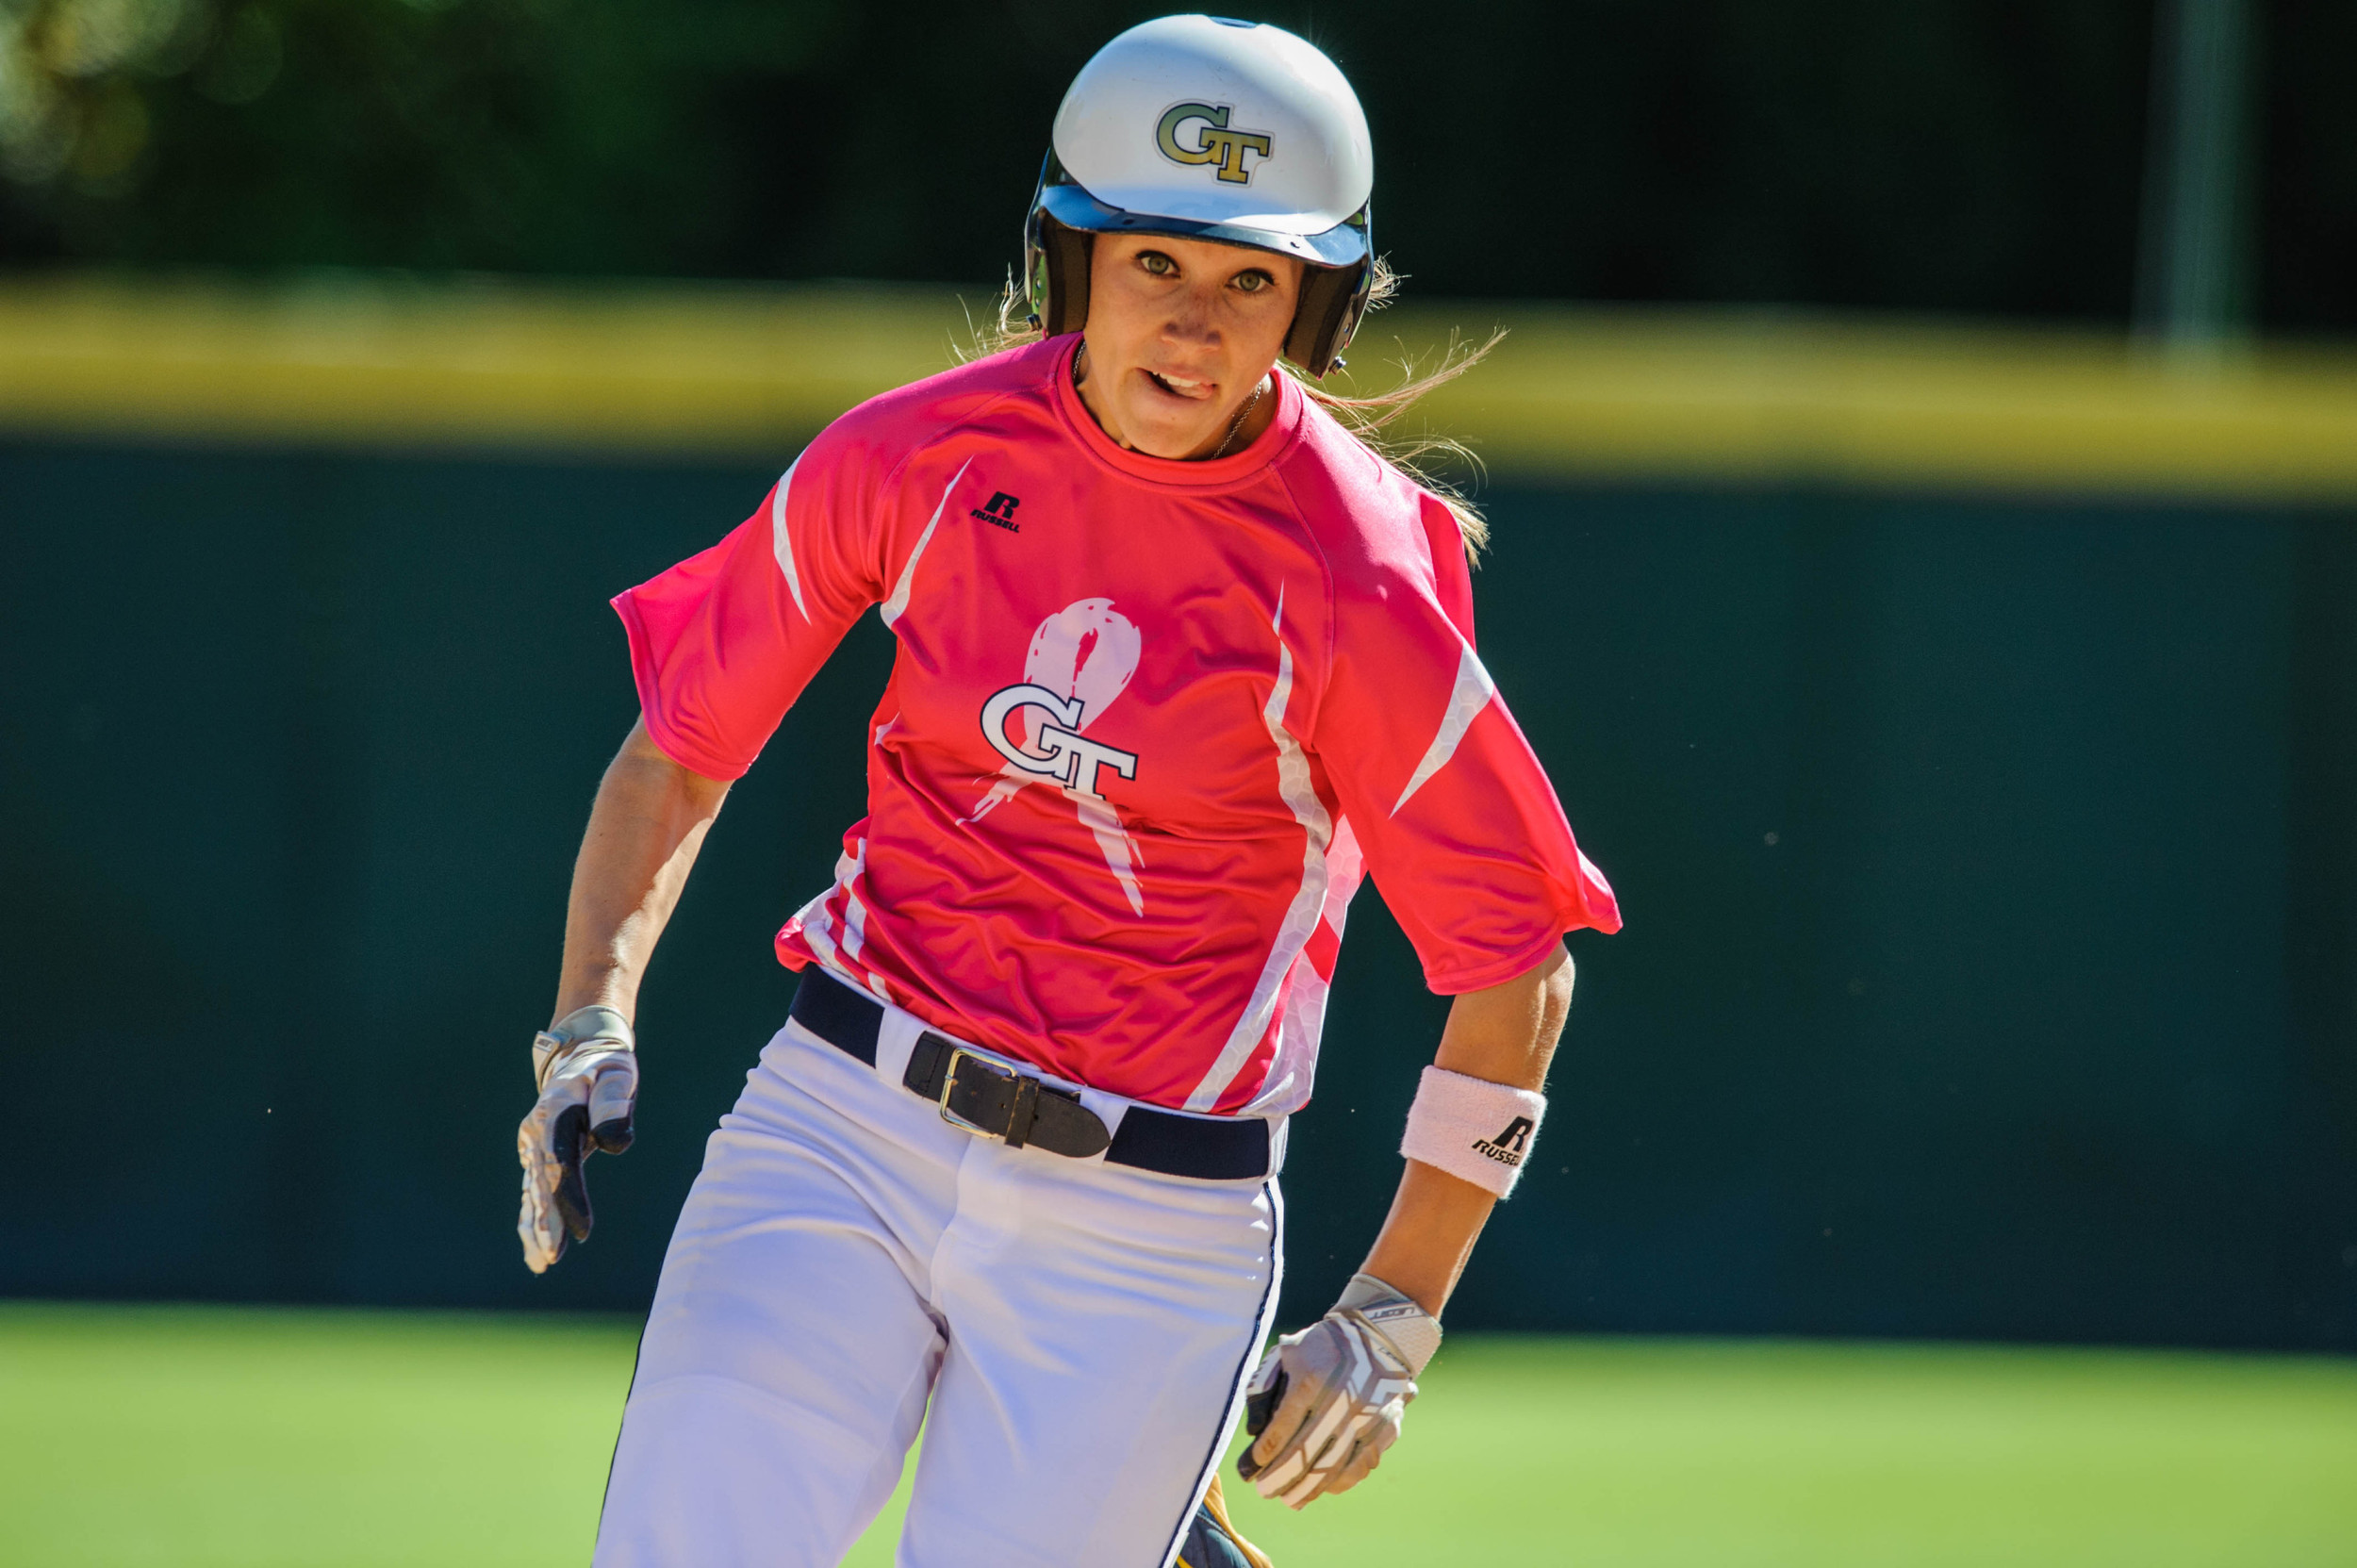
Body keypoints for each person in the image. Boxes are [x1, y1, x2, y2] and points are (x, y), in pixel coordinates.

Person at [515, 14, 1620, 1567]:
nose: (1196, 320)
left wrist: (1392, 1312)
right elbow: (683, 744)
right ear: (1069, 257)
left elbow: (1517, 973)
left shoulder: (1360, 579)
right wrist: (588, 1019)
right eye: (1155, 260)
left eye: (1253, 279)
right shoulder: (919, 455)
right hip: (843, 1124)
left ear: (1315, 311)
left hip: (1151, 1225)